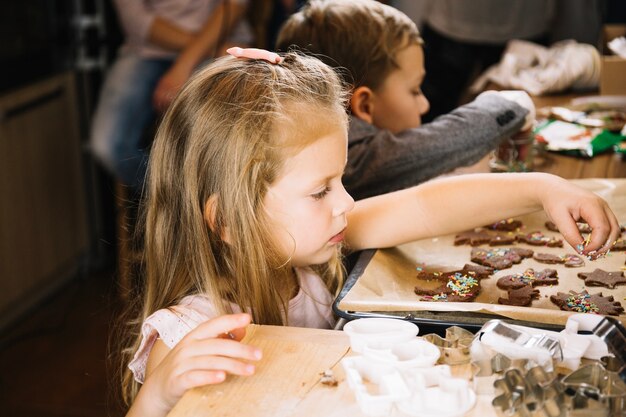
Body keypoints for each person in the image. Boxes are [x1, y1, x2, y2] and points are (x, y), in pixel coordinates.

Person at [119, 47, 620, 416]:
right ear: (228, 221)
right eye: (321, 191)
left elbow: (425, 206)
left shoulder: (307, 249)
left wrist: (542, 189)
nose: (346, 203)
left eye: (341, 181)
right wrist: (157, 395)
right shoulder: (192, 334)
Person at [275, 0, 535, 200]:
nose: (425, 105)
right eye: (414, 91)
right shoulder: (348, 158)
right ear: (364, 105)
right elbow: (438, 143)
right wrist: (511, 105)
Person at [90, 0, 252, 190]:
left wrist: (187, 61)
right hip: (148, 50)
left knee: (207, 138)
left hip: (219, 37)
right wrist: (210, 50)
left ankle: (213, 201)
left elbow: (234, 5)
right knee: (107, 145)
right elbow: (136, 20)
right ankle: (176, 201)